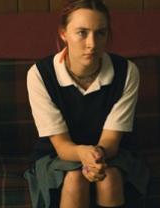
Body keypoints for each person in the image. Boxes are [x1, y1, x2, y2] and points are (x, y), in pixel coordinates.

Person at [25, 0, 149, 207]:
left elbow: (111, 141)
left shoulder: (127, 72)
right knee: (74, 179)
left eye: (100, 33)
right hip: (57, 153)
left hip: (110, 152)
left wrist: (96, 157)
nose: (92, 43)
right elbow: (62, 146)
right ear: (63, 34)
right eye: (82, 33)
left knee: (109, 178)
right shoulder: (39, 74)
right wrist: (84, 156)